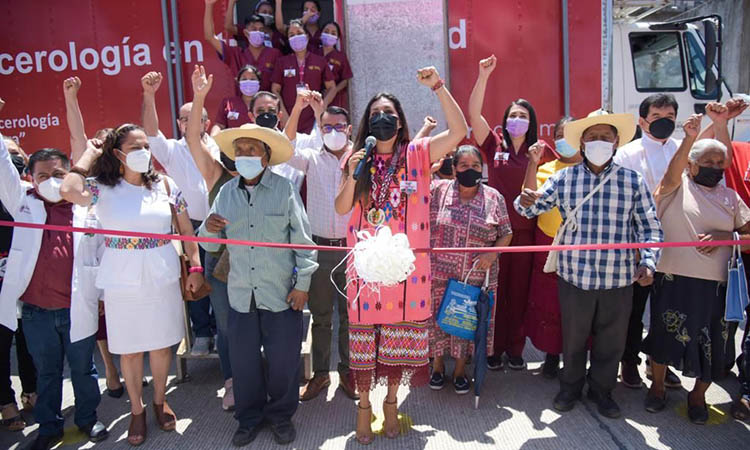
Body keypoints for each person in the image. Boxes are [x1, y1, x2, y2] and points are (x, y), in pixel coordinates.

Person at [335, 66, 467, 444]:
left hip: (406, 270)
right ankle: (364, 407)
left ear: (400, 122)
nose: (382, 119)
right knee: (364, 340)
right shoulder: (355, 157)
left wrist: (439, 87)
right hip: (365, 268)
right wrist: (354, 170)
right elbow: (343, 207)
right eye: (375, 113)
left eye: (388, 115)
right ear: (366, 122)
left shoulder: (417, 154)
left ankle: (391, 403)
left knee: (396, 338)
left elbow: (458, 132)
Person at [60, 126, 204, 446]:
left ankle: (159, 401)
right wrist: (89, 153)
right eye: (134, 146)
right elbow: (69, 190)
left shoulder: (166, 185)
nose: (143, 151)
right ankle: (137, 409)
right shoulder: (101, 189)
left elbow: (186, 230)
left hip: (161, 273)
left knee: (161, 344)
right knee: (129, 349)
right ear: (117, 154)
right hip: (121, 278)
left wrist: (195, 265)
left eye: (146, 146)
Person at [197, 68, 318, 446]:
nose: (247, 155)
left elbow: (304, 242)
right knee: (245, 363)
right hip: (240, 296)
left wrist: (302, 286)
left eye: (254, 150)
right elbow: (210, 245)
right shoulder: (226, 194)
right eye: (241, 150)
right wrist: (209, 229)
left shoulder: (283, 190)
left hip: (280, 293)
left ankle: (281, 416)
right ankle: (248, 418)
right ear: (234, 156)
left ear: (266, 156)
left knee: (283, 362)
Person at [515, 110, 663, 419]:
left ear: (616, 142)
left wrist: (649, 261)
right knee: (573, 338)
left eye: (605, 138)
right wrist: (525, 200)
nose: (599, 143)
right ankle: (570, 387)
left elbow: (650, 228)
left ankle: (602, 391)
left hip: (618, 279)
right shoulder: (564, 178)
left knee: (610, 342)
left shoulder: (632, 181)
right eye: (593, 137)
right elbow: (531, 208)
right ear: (582, 143)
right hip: (574, 277)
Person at [642, 108, 750, 424]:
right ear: (691, 164)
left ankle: (698, 395)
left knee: (714, 345)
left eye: (720, 163)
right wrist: (689, 138)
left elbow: (747, 236)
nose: (715, 168)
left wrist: (725, 235)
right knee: (663, 339)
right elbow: (671, 174)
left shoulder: (731, 198)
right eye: (707, 162)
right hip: (674, 280)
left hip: (716, 287)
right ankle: (658, 388)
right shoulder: (675, 188)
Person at [0, 135, 107, 449]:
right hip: (36, 312)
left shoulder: (84, 207)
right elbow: (2, 166)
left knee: (84, 371)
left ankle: (88, 419)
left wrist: (100, 297)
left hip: (76, 307)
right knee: (46, 374)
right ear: (31, 178)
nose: (50, 181)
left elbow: (100, 252)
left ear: (70, 175)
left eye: (58, 175)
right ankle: (49, 427)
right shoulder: (21, 200)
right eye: (42, 176)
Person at [469, 54, 555, 371]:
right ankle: (493, 347)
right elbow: (474, 113)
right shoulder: (494, 145)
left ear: (531, 122)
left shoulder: (541, 150)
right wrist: (483, 77)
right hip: (494, 234)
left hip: (526, 233)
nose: (516, 120)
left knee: (519, 295)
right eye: (512, 115)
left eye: (522, 116)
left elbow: (554, 180)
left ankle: (515, 348)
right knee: (494, 293)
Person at [280, 91, 358, 401]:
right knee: (322, 316)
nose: (334, 132)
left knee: (351, 318)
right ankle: (322, 375)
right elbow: (284, 150)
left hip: (353, 250)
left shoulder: (359, 157)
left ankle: (349, 373)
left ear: (349, 129)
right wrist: (299, 107)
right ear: (320, 130)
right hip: (320, 249)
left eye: (339, 127)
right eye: (327, 127)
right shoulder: (311, 157)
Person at [613, 93, 690, 390]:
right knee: (634, 310)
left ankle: (659, 362)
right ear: (643, 121)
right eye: (657, 117)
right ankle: (628, 361)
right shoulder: (627, 154)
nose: (664, 123)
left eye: (670, 117)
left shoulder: (681, 151)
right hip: (638, 243)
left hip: (673, 243)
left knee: (666, 308)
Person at [141, 71, 218, 357]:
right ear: (178, 123)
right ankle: (202, 333)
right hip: (190, 227)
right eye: (184, 119)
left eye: (194, 117)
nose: (188, 122)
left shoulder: (219, 147)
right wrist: (149, 95)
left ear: (206, 122)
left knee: (220, 281)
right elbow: (150, 132)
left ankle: (221, 331)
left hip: (220, 225)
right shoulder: (172, 150)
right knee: (194, 281)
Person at [428, 145, 513, 394]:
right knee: (437, 321)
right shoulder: (438, 191)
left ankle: (460, 370)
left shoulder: (494, 197)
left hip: (475, 275)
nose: (470, 170)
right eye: (463, 165)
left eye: (475, 166)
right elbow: (411, 194)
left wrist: (492, 252)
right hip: (439, 275)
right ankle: (437, 366)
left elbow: (506, 233)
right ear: (454, 168)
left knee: (466, 323)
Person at [61, 76, 127, 397]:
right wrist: (71, 99)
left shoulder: (125, 177)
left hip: (119, 250)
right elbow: (77, 134)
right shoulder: (88, 174)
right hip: (90, 248)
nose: (100, 146)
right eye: (96, 142)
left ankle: (126, 364)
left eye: (107, 142)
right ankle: (110, 370)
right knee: (96, 315)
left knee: (120, 313)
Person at [185, 65, 241, 412]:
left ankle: (256, 378)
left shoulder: (265, 176)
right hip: (219, 263)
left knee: (257, 320)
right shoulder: (216, 174)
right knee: (226, 324)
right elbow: (193, 140)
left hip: (256, 261)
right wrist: (200, 97)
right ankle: (232, 382)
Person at [522, 117, 583, 379]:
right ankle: (551, 355)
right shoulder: (546, 169)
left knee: (578, 303)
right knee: (550, 302)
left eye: (569, 134)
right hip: (548, 242)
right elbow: (526, 199)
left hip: (581, 245)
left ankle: (576, 357)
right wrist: (532, 163)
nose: (564, 140)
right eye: (559, 134)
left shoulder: (592, 169)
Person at [0, 136, 36, 432]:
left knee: (28, 340)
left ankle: (31, 391)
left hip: (25, 281)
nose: (12, 158)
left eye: (16, 153)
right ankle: (6, 402)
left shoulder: (25, 194)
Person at [271, 19, 335, 133]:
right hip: (289, 115)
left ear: (307, 36)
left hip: (313, 117)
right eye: (291, 35)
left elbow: (332, 87)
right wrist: (283, 114)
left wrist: (321, 107)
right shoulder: (282, 62)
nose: (296, 37)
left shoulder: (320, 61)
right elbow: (275, 90)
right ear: (288, 39)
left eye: (299, 33)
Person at [205, 1, 282, 88]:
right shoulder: (236, 54)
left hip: (267, 101)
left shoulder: (274, 54)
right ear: (245, 33)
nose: (258, 32)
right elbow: (210, 37)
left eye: (261, 30)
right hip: (242, 101)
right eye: (254, 29)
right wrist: (209, 5)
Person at [210, 64, 261, 136]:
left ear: (259, 82)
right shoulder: (228, 103)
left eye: (252, 79)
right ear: (239, 83)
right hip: (234, 145)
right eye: (244, 79)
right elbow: (219, 125)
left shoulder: (265, 103)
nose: (248, 82)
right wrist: (213, 138)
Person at [314, 21, 353, 109]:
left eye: (333, 33)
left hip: (334, 100)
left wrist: (333, 90)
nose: (329, 35)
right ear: (321, 34)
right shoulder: (313, 53)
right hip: (314, 96)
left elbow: (346, 80)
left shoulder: (340, 56)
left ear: (337, 38)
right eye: (326, 31)